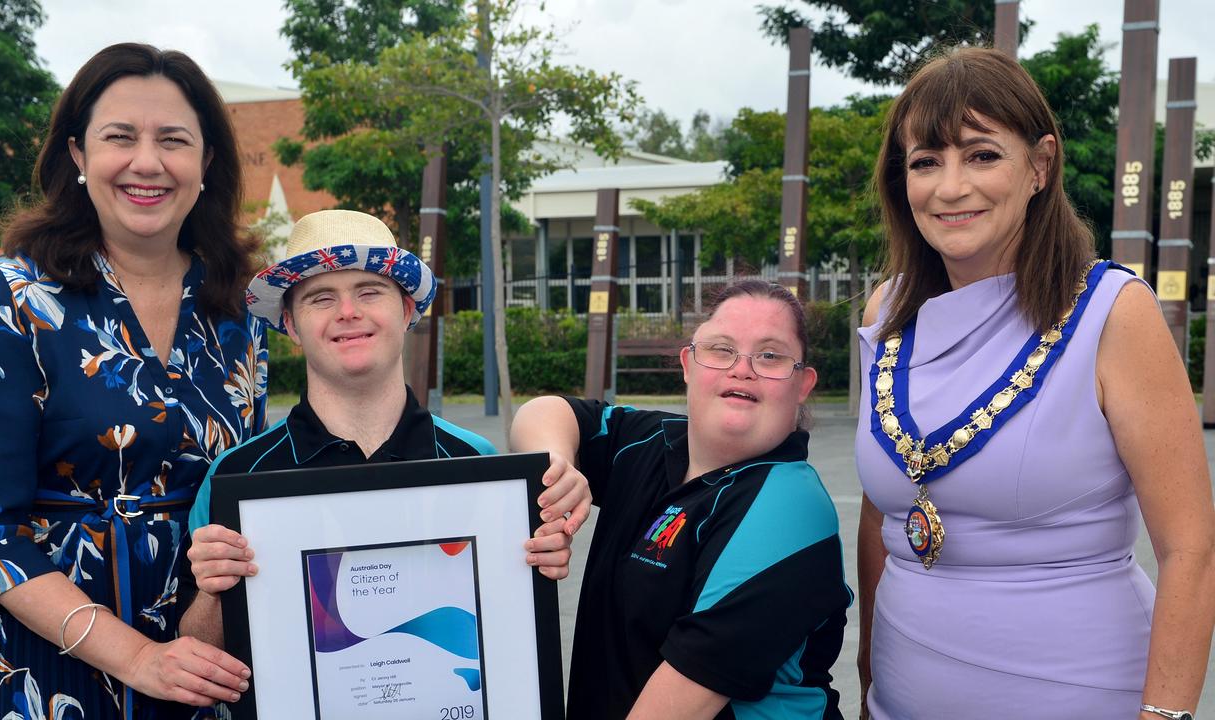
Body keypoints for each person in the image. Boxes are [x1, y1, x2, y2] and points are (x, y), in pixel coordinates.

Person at [855, 47, 1215, 719]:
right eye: (926, 162)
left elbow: (1190, 549)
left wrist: (1166, 717)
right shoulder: (888, 312)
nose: (951, 187)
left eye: (982, 155)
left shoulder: (1114, 312)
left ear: (1039, 166)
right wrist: (870, 671)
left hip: (1083, 696)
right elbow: (883, 515)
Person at [0, 44, 264, 718]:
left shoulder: (235, 310)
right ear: (79, 156)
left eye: (173, 140)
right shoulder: (15, 297)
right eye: (120, 137)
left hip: (197, 661)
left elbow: (244, 495)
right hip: (40, 661)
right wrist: (138, 658)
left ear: (205, 164)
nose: (147, 161)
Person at [180, 209, 589, 655]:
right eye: (321, 298)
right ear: (292, 326)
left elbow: (507, 641)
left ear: (407, 309)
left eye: (369, 291)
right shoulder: (236, 477)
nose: (349, 313)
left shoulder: (479, 465)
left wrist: (537, 565)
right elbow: (198, 648)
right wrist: (215, 591)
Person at [512, 280, 851, 720]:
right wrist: (557, 469)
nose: (742, 369)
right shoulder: (651, 442)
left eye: (770, 355)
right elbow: (543, 411)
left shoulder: (789, 506)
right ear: (688, 363)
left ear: (802, 384)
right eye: (721, 348)